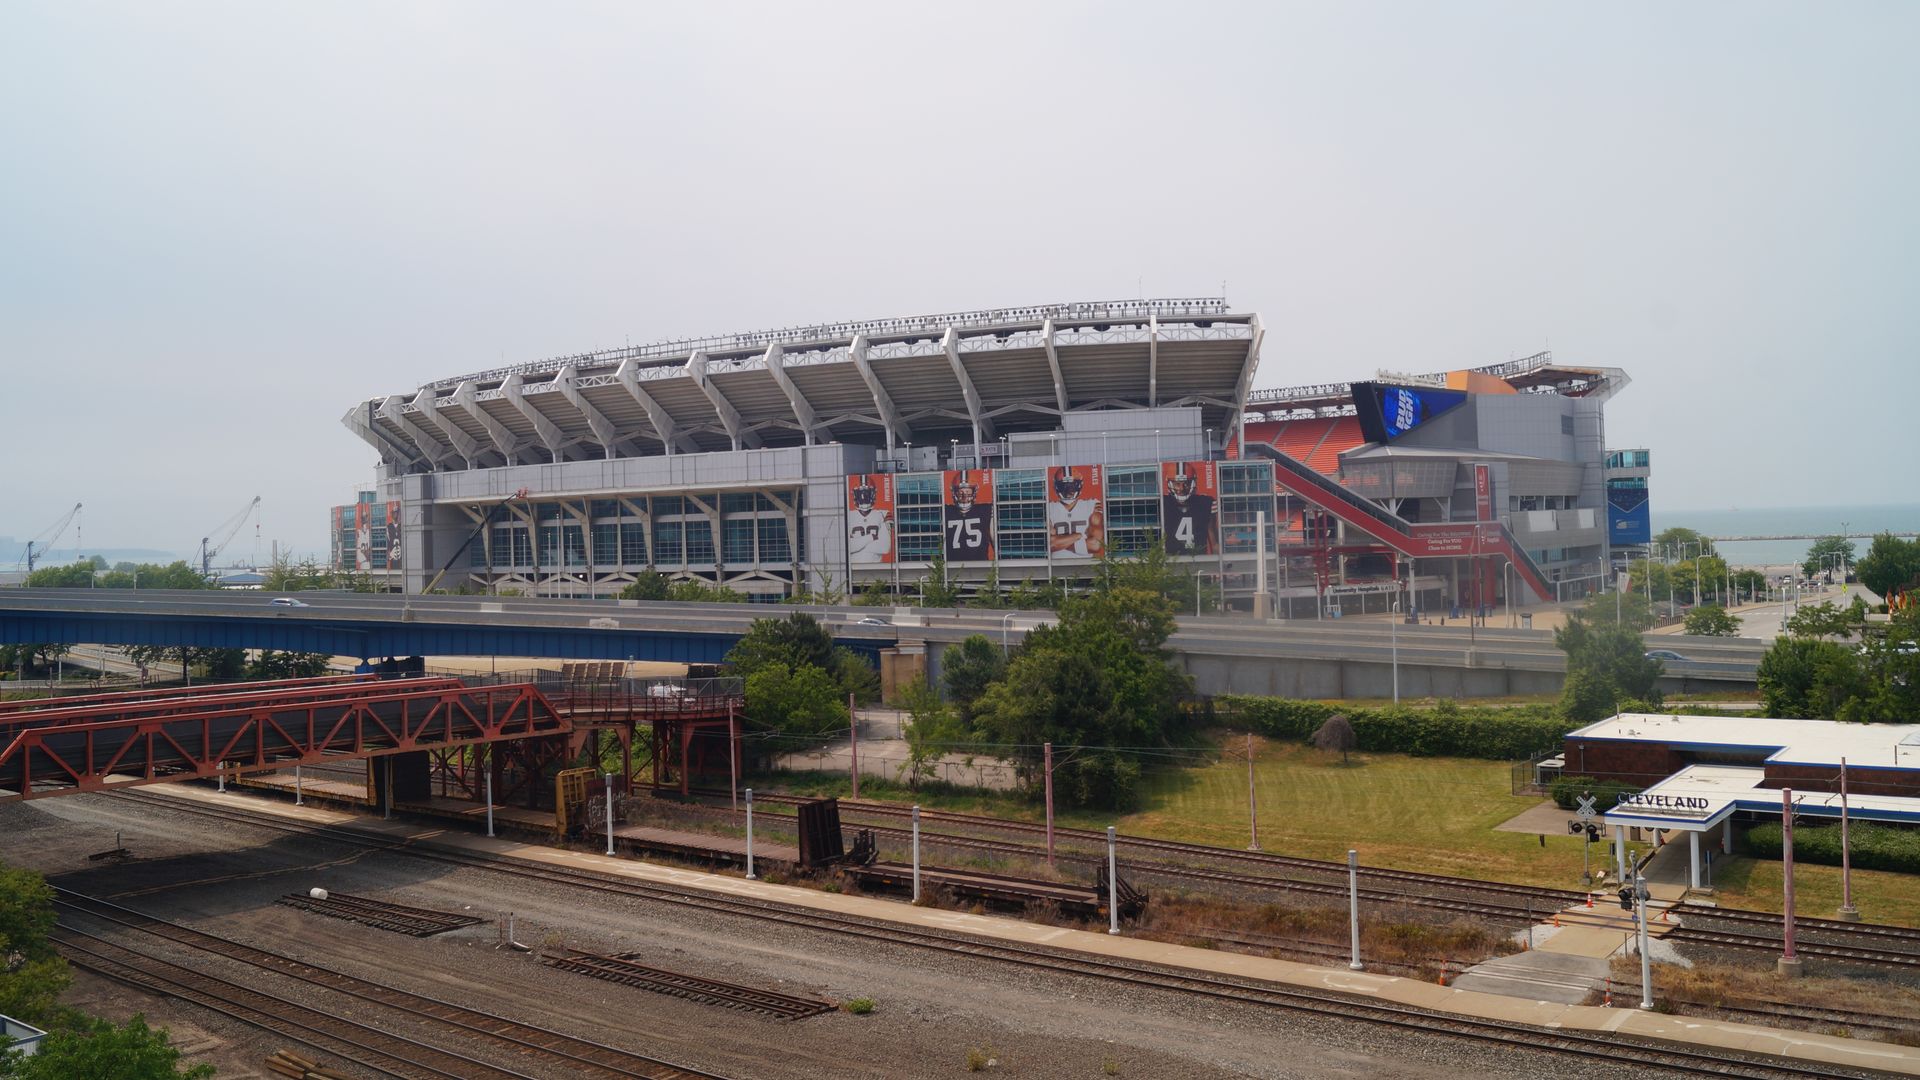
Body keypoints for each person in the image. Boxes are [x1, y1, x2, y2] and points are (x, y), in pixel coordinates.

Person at [1047, 469, 1104, 557]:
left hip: (1086, 565)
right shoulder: (1049, 508)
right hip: (1056, 566)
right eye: (1063, 486)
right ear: (1057, 487)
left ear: (1079, 485)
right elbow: (1049, 544)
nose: (1069, 491)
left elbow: (1095, 545)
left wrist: (1059, 542)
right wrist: (1077, 536)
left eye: (1072, 486)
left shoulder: (1092, 505)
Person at [1162, 465, 1215, 555]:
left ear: (1193, 483)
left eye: (1186, 483)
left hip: (1199, 560)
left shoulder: (1205, 503)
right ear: (1170, 483)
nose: (1181, 488)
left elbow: (1214, 542)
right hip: (1171, 561)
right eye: (1177, 484)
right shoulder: (1162, 504)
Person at [945, 476, 993, 562]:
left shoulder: (985, 510)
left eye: (968, 492)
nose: (964, 496)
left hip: (978, 563)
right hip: (955, 564)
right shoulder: (946, 511)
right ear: (954, 493)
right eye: (961, 493)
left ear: (974, 492)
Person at [847, 481, 892, 563]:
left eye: (867, 494)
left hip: (875, 567)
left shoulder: (883, 514)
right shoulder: (848, 515)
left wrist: (858, 546)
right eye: (860, 494)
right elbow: (848, 547)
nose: (863, 498)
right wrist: (870, 537)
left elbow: (885, 548)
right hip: (854, 568)